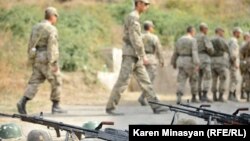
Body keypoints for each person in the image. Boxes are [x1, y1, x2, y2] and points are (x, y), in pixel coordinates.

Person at [105, 0, 168, 115]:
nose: (147, 6)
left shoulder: (135, 17)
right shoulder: (133, 17)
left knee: (146, 82)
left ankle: (156, 106)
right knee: (123, 81)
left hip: (135, 55)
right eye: (145, 4)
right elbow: (135, 38)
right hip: (131, 55)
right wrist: (142, 54)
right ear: (138, 3)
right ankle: (110, 107)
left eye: (148, 4)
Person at [17, 7, 66, 114]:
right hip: (47, 58)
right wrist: (53, 62)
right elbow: (52, 46)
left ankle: (22, 102)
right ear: (53, 16)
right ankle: (56, 106)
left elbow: (30, 44)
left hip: (37, 57)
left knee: (35, 82)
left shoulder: (35, 27)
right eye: (56, 17)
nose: (56, 19)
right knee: (57, 80)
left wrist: (31, 58)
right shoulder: (51, 29)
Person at [137, 20, 164, 106]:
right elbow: (159, 50)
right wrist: (161, 60)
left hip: (140, 59)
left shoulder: (139, 36)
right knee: (149, 80)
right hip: (151, 59)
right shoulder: (154, 37)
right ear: (150, 27)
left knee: (145, 80)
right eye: (152, 27)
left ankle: (143, 97)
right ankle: (143, 97)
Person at [171, 26, 200, 104]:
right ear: (192, 31)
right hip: (190, 61)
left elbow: (175, 52)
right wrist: (197, 63)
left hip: (181, 60)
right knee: (194, 79)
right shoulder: (193, 40)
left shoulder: (179, 40)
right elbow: (194, 52)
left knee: (181, 80)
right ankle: (194, 96)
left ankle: (179, 97)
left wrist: (173, 62)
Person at [195, 23, 214, 102]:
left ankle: (198, 94)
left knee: (198, 77)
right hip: (205, 58)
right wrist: (212, 52)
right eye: (207, 29)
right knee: (207, 76)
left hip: (196, 58)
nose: (207, 30)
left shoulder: (194, 37)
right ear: (204, 29)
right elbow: (209, 48)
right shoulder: (204, 37)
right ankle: (204, 95)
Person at [210, 27, 230, 102]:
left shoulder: (210, 39)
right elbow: (227, 48)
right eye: (222, 31)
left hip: (212, 60)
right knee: (223, 78)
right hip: (221, 60)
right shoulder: (220, 39)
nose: (223, 33)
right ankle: (221, 96)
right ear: (218, 31)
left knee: (214, 79)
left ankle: (214, 96)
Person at [228, 27, 242, 102]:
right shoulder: (233, 41)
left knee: (234, 79)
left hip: (234, 62)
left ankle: (232, 94)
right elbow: (233, 54)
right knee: (235, 79)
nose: (240, 34)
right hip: (233, 63)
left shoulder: (233, 41)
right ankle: (231, 94)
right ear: (236, 33)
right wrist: (234, 63)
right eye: (239, 33)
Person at [240, 32, 250, 99]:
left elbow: (241, 51)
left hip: (247, 61)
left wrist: (243, 60)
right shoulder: (247, 43)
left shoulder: (246, 43)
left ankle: (247, 96)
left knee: (247, 79)